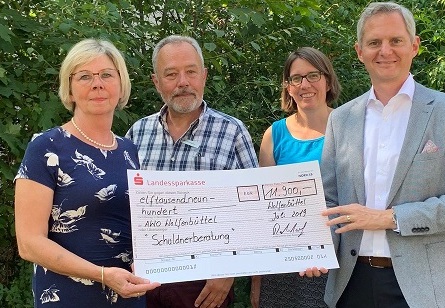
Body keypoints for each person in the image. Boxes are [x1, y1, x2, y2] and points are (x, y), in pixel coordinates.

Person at [303, 2, 445, 308]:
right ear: (359, 51)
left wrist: (388, 219)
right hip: (351, 285)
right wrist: (314, 248)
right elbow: (328, 201)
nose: (385, 51)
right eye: (374, 42)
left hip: (423, 290)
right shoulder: (342, 119)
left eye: (396, 41)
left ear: (414, 46)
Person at [14, 39, 160, 307]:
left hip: (129, 295)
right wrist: (102, 275)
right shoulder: (46, 148)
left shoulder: (129, 151)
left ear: (121, 84)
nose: (97, 84)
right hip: (68, 297)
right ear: (69, 90)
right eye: (84, 76)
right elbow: (29, 243)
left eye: (106, 74)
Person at [126, 35, 258, 308]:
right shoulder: (137, 134)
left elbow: (253, 210)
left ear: (204, 76)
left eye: (191, 71)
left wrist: (228, 272)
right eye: (171, 74)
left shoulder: (232, 131)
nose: (182, 82)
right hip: (143, 280)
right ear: (156, 82)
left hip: (204, 285)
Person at [250, 47, 341, 308]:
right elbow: (262, 214)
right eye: (296, 78)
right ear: (288, 87)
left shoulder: (349, 127)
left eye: (313, 75)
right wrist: (258, 280)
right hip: (283, 266)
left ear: (327, 80)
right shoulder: (274, 134)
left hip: (338, 261)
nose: (305, 85)